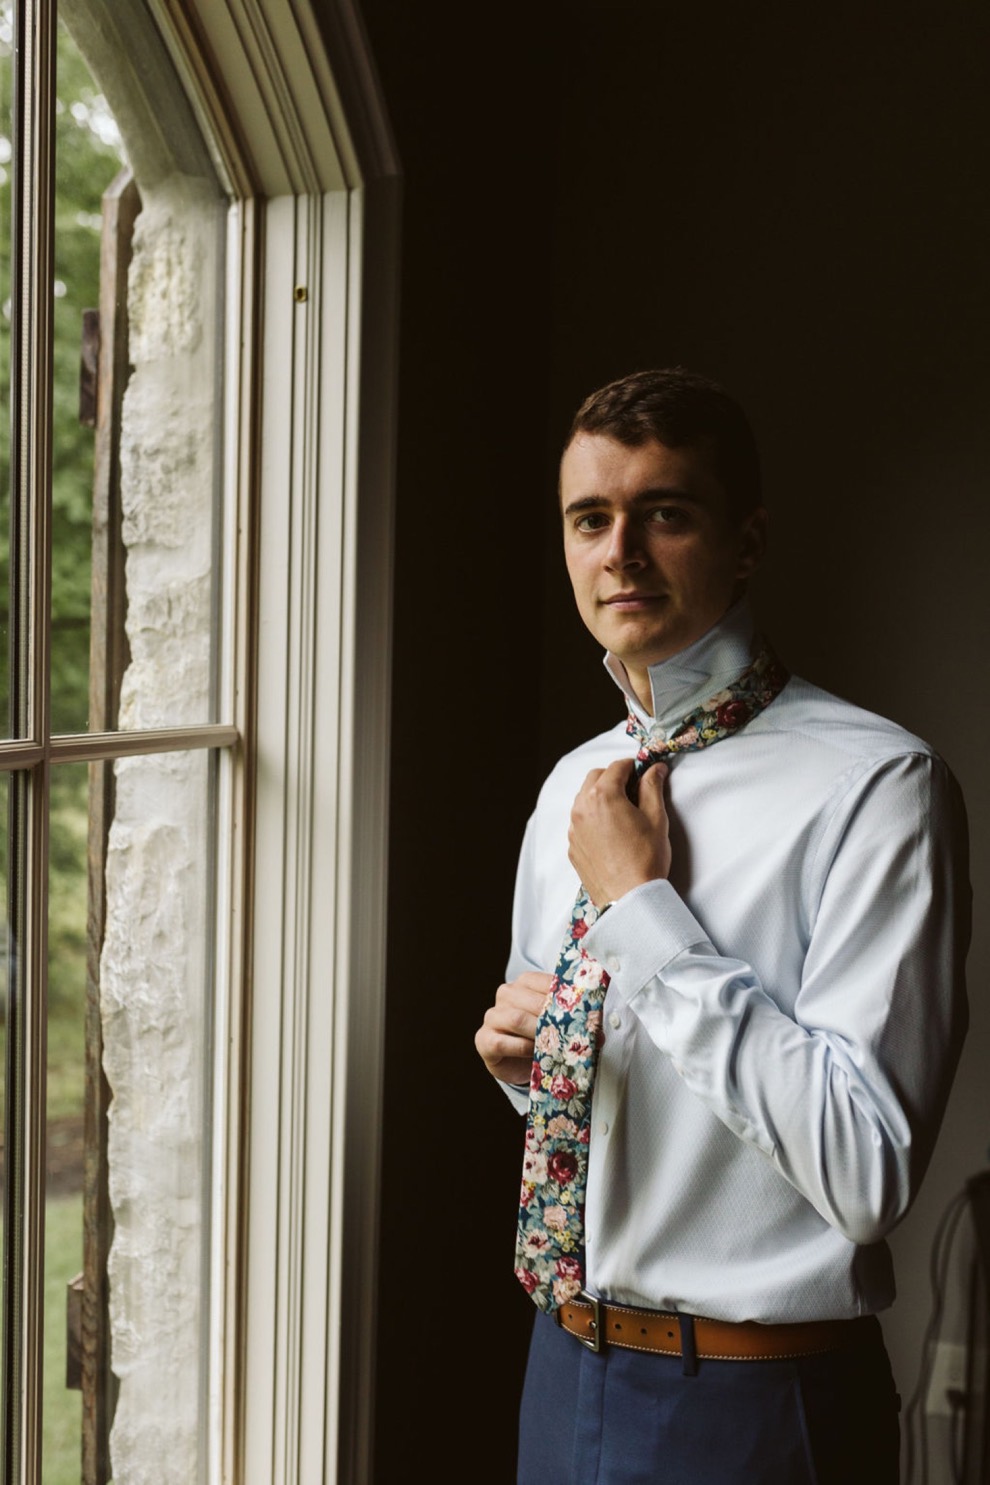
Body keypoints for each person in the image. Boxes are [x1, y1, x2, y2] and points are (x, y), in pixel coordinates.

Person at [474, 368, 970, 1485]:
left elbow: (865, 1168)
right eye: (591, 519)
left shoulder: (880, 786)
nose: (621, 553)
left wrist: (646, 913)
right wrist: (529, 1062)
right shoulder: (572, 790)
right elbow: (618, 1096)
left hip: (758, 1401)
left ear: (746, 541)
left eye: (666, 513)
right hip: (560, 1370)